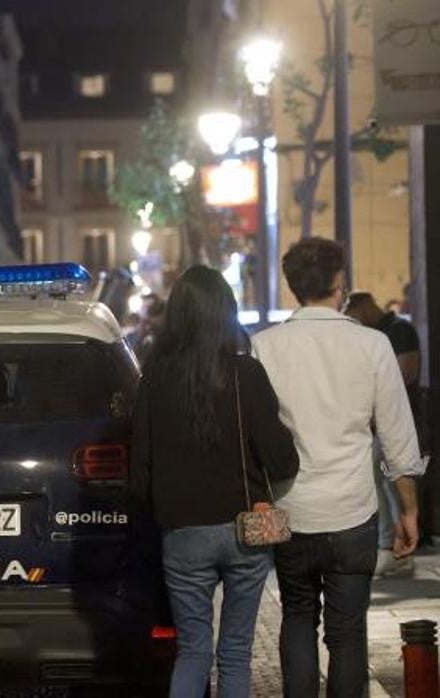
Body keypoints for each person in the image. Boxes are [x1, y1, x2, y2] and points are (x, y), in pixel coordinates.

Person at [253, 238, 424, 698]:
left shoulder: (263, 347)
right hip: (353, 511)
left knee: (297, 617)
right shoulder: (372, 344)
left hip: (291, 511)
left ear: (293, 287)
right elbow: (397, 436)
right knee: (348, 632)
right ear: (339, 282)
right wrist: (408, 509)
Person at [130, 266, 299, 697]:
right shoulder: (246, 375)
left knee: (193, 652)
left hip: (183, 531)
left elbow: (140, 468)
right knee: (236, 651)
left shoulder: (155, 379)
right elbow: (281, 458)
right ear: (227, 312)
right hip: (244, 528)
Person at [345, 290, 427, 577]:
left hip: (395, 421)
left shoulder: (398, 330)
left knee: (393, 481)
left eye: (354, 312)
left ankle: (396, 548)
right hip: (375, 423)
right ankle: (392, 547)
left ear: (366, 305)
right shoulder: (372, 335)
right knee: (381, 481)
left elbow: (406, 375)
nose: (352, 319)